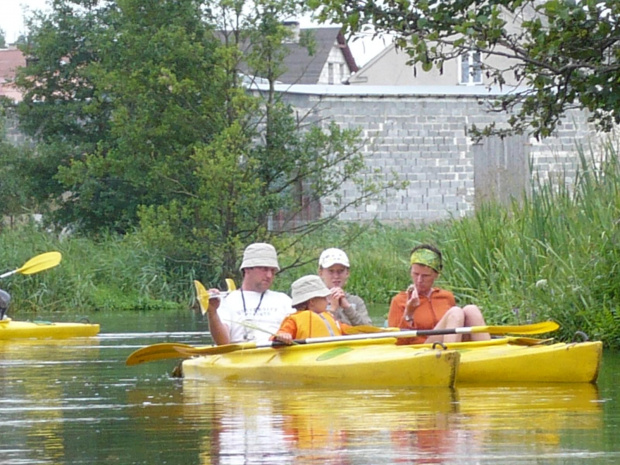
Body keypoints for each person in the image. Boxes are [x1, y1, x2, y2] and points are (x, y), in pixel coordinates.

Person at [387, 244, 490, 344]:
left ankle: (490, 353)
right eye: (415, 274)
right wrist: (409, 313)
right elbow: (397, 342)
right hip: (421, 350)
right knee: (455, 312)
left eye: (425, 276)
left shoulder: (446, 297)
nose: (419, 280)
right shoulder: (399, 300)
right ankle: (449, 356)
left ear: (436, 275)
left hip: (443, 343)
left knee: (471, 309)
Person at [206, 243, 293, 345]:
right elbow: (223, 343)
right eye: (264, 269)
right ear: (247, 269)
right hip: (238, 356)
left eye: (272, 271)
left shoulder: (284, 300)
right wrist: (212, 313)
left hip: (277, 354)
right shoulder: (227, 301)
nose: (269, 275)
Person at [272, 275, 352, 345]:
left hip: (333, 354)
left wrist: (361, 330)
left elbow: (347, 330)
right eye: (324, 298)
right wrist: (283, 336)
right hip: (309, 358)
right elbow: (279, 335)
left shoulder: (330, 317)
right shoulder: (293, 320)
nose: (328, 301)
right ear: (312, 301)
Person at [317, 248, 372, 326]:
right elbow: (318, 330)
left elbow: (369, 329)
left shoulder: (356, 301)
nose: (336, 276)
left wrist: (347, 307)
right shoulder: (314, 302)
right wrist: (333, 309)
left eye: (340, 271)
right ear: (321, 273)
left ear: (347, 273)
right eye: (331, 271)